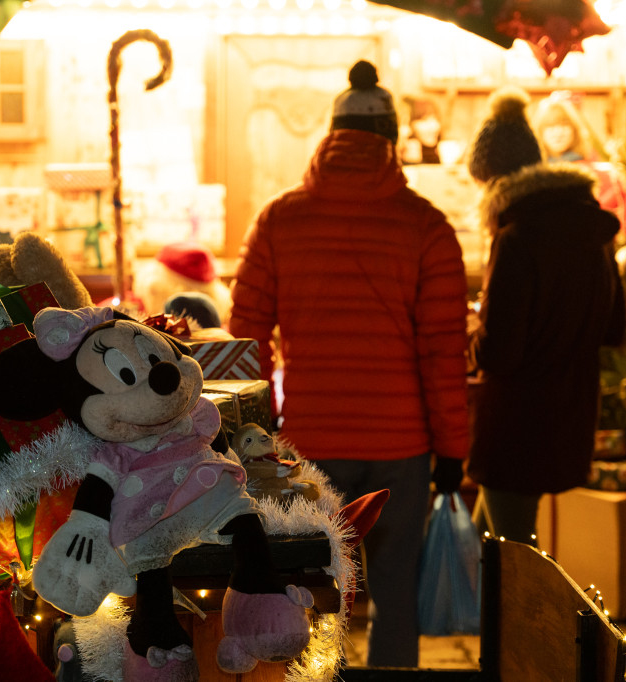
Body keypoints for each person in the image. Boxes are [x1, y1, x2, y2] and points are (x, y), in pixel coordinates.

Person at [229, 59, 470, 668]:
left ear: (331, 138)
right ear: (391, 141)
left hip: (309, 444)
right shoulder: (427, 227)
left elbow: (248, 334)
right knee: (395, 593)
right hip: (403, 447)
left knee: (310, 591)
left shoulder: (279, 220)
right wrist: (453, 450)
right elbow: (443, 349)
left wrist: (265, 425)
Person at [465, 86, 626, 545]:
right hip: (570, 413)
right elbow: (614, 327)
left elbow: (500, 351)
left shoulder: (515, 236)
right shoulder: (591, 228)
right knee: (488, 548)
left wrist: (472, 332)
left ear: (493, 180)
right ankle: (472, 618)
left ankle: (517, 621)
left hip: (517, 424)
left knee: (516, 562)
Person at [532, 91, 588, 163]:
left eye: (564, 126)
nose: (558, 133)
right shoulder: (532, 167)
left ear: (575, 131)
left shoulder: (587, 168)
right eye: (551, 127)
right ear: (540, 132)